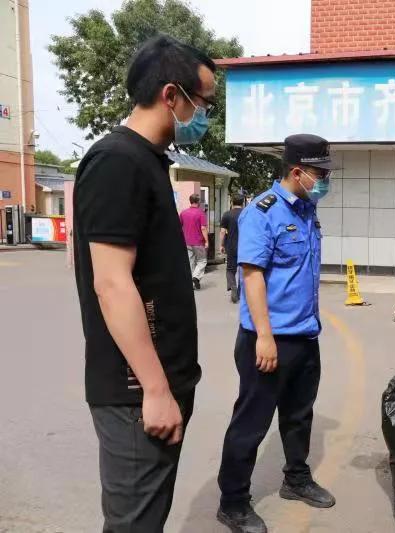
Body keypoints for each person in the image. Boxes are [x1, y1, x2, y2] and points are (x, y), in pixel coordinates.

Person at [72, 35, 216, 531]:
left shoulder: (149, 160)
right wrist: (155, 389)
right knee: (134, 523)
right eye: (204, 103)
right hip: (136, 392)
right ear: (171, 96)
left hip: (161, 383)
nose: (206, 115)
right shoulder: (117, 161)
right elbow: (111, 284)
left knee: (148, 517)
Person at [216, 134, 336, 533]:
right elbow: (252, 277)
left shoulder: (307, 210)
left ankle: (296, 479)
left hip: (304, 336)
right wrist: (264, 336)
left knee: (299, 416)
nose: (325, 181)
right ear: (297, 172)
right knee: (251, 423)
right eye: (320, 174)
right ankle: (233, 502)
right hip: (267, 340)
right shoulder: (262, 213)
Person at [220, 193, 245, 303]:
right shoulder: (246, 213)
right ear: (243, 202)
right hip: (245, 245)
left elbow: (222, 232)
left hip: (230, 245)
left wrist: (221, 245)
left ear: (231, 202)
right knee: (243, 269)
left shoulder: (227, 215)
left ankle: (232, 286)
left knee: (230, 269)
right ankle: (240, 290)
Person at [180, 193, 209, 290]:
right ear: (198, 202)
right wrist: (206, 241)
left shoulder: (183, 213)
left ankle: (191, 284)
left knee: (190, 262)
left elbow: (180, 227)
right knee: (202, 261)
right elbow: (203, 228)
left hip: (186, 242)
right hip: (198, 242)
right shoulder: (201, 213)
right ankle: (196, 277)